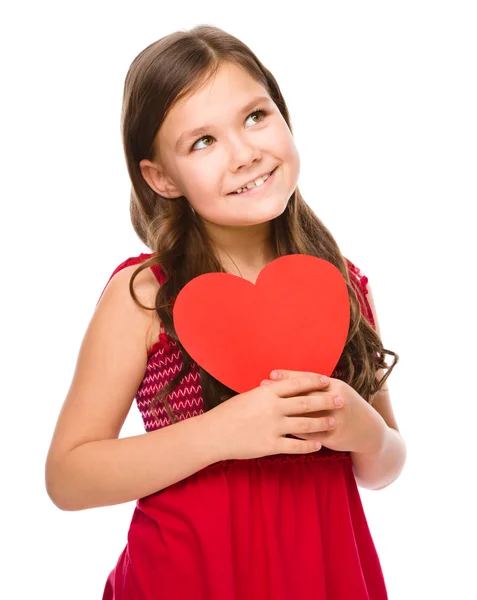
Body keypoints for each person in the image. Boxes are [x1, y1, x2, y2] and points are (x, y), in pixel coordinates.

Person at [45, 25, 407, 600]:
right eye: (203, 142)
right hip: (186, 579)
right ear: (162, 177)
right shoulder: (144, 294)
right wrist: (220, 434)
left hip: (322, 578)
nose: (244, 153)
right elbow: (67, 476)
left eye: (256, 117)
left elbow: (383, 466)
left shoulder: (342, 284)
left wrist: (364, 430)